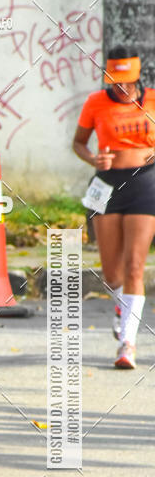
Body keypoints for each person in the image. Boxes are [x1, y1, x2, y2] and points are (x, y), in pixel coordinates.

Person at [73, 44, 155, 368]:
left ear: (138, 76)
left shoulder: (151, 99)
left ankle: (127, 344)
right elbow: (78, 142)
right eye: (115, 81)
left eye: (128, 81)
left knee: (135, 265)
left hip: (146, 182)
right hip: (104, 185)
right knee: (111, 272)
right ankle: (122, 306)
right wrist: (94, 157)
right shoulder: (95, 102)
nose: (121, 88)